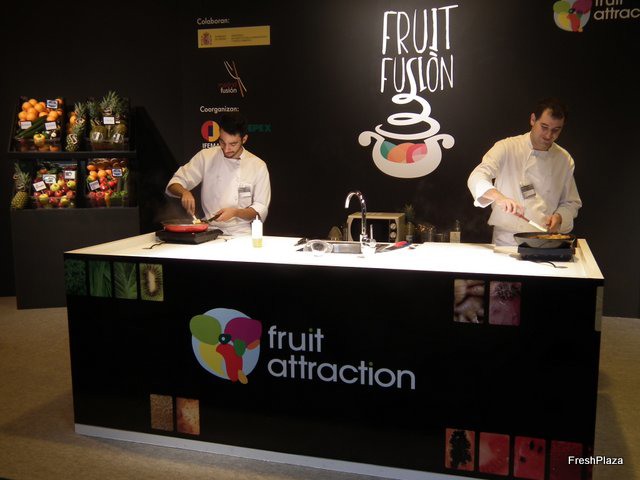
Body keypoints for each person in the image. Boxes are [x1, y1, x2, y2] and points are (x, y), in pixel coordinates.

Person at [467, 97, 582, 246]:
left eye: (556, 130)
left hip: (544, 240)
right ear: (533, 119)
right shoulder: (507, 147)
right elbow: (477, 176)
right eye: (544, 127)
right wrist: (499, 197)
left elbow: (571, 202)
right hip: (507, 240)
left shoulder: (564, 159)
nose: (548, 135)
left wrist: (559, 217)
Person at [166, 112, 271, 236]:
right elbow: (174, 184)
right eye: (222, 142)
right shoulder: (206, 156)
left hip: (241, 233)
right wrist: (184, 192)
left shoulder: (258, 166)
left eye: (233, 144)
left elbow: (260, 208)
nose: (226, 149)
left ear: (244, 139)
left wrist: (235, 213)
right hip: (209, 231)